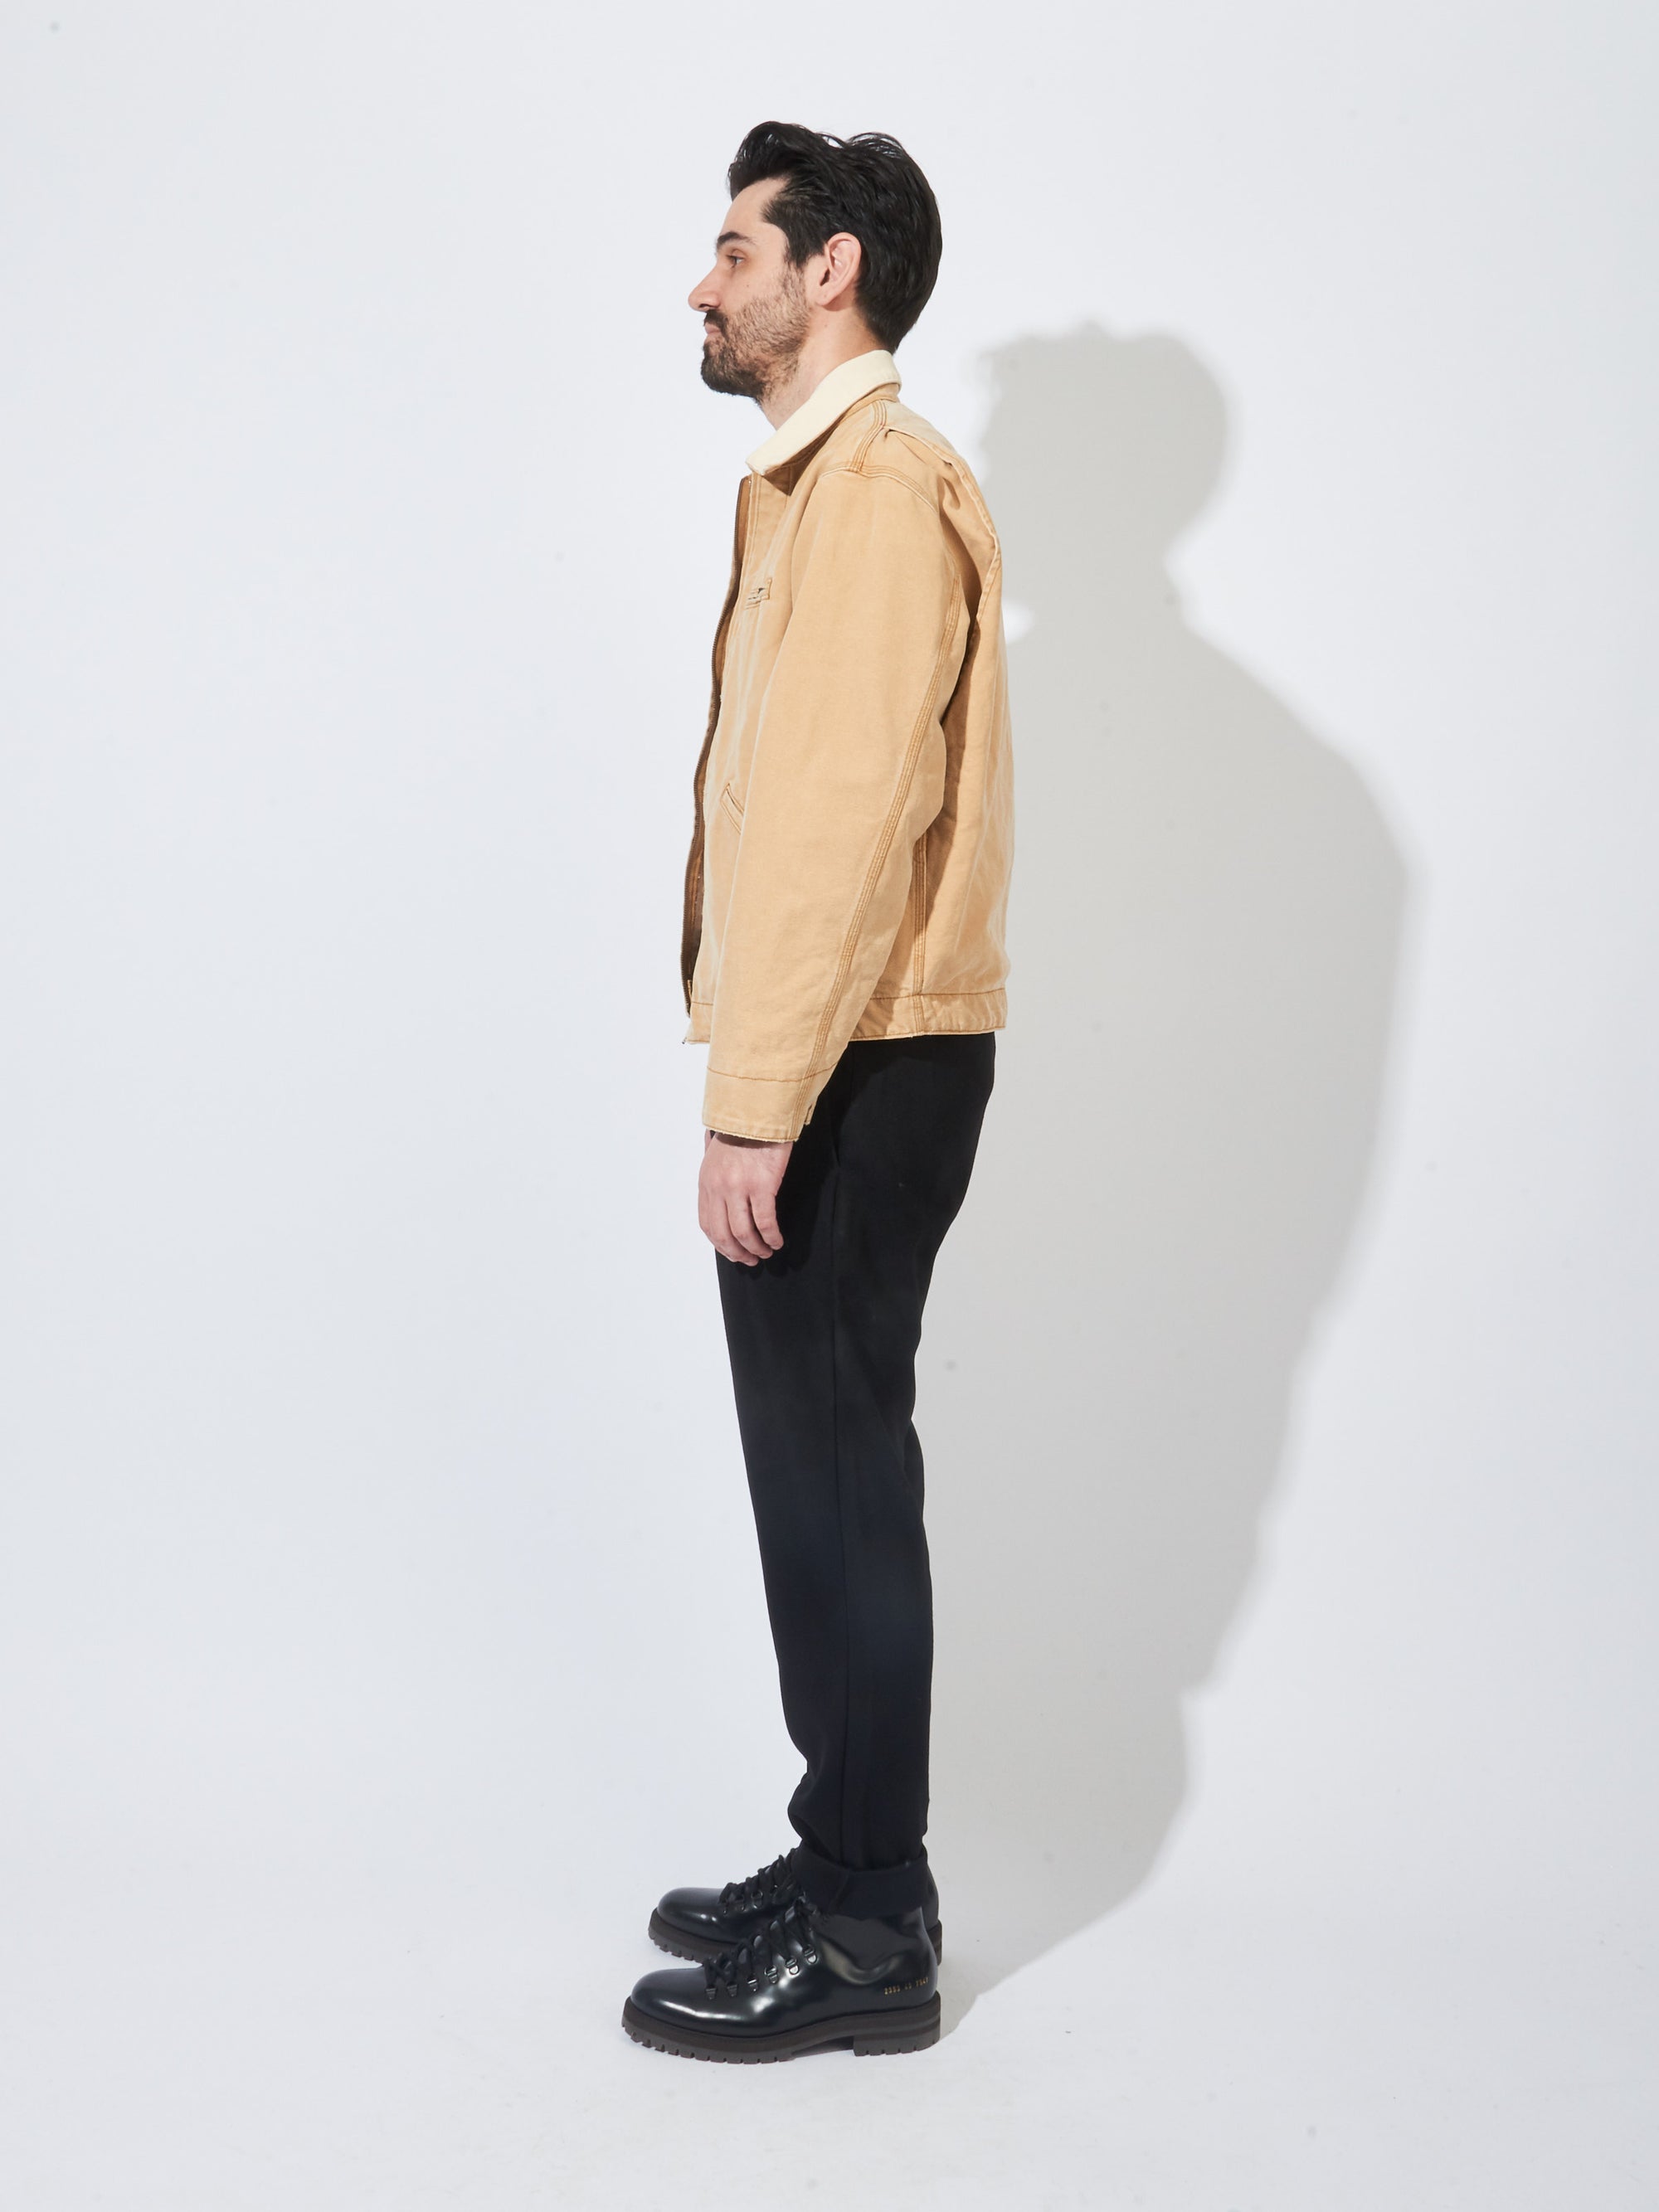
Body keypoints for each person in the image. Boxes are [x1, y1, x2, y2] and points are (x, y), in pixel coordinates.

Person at [622, 121, 1014, 2064]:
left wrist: (757, 1101)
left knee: (841, 1475)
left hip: (857, 1058)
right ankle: (850, 1851)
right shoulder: (821, 484)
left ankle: (868, 1925)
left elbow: (842, 823)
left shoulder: (869, 488)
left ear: (827, 268)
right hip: (847, 1048)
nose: (702, 284)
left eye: (733, 248)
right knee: (822, 1470)